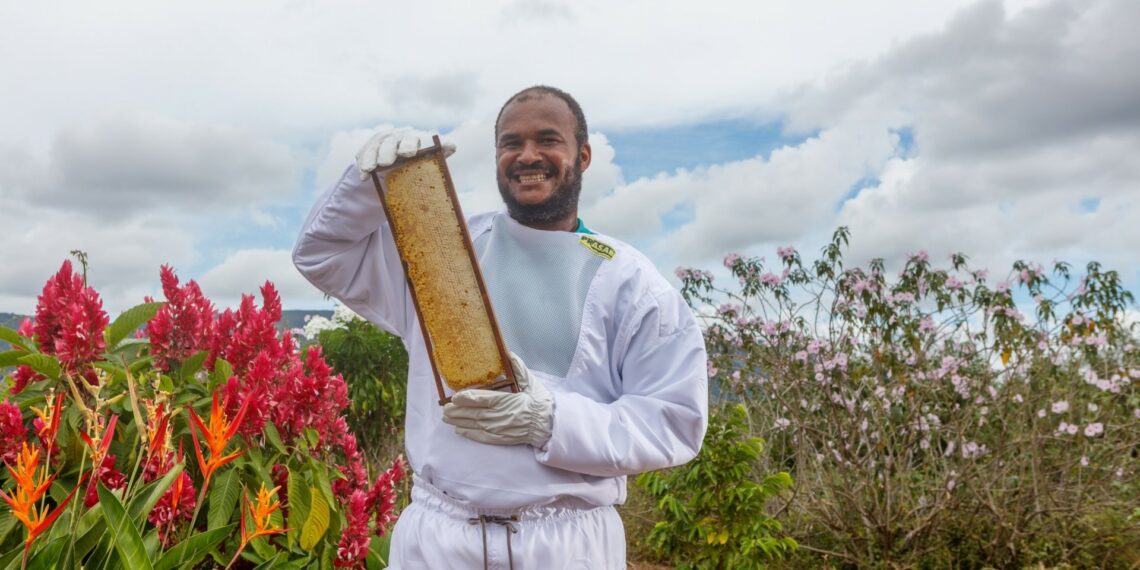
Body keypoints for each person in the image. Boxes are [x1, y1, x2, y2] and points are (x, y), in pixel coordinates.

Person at [293, 85, 708, 569]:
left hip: (565, 545)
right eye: (511, 143)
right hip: (439, 540)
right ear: (496, 157)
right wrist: (366, 187)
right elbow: (321, 253)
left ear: (584, 155)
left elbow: (674, 422)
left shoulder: (632, 283)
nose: (527, 155)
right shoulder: (442, 247)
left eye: (548, 139)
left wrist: (549, 420)